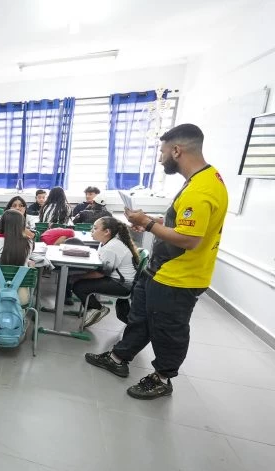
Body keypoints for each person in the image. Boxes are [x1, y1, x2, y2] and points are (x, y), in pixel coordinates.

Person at [85, 124, 228, 399]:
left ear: (177, 150)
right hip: (161, 271)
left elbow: (189, 239)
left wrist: (147, 223)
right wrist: (156, 223)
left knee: (167, 329)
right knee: (140, 318)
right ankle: (118, 358)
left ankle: (163, 377)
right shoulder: (203, 180)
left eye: (162, 152)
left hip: (179, 276)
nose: (160, 158)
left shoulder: (201, 190)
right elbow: (185, 225)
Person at [71, 217, 139, 328]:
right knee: (80, 280)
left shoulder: (111, 247)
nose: (92, 230)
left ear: (107, 232)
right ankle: (92, 310)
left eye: (95, 228)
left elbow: (101, 273)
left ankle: (98, 309)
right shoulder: (107, 243)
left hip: (121, 284)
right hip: (118, 280)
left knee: (79, 286)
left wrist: (78, 276)